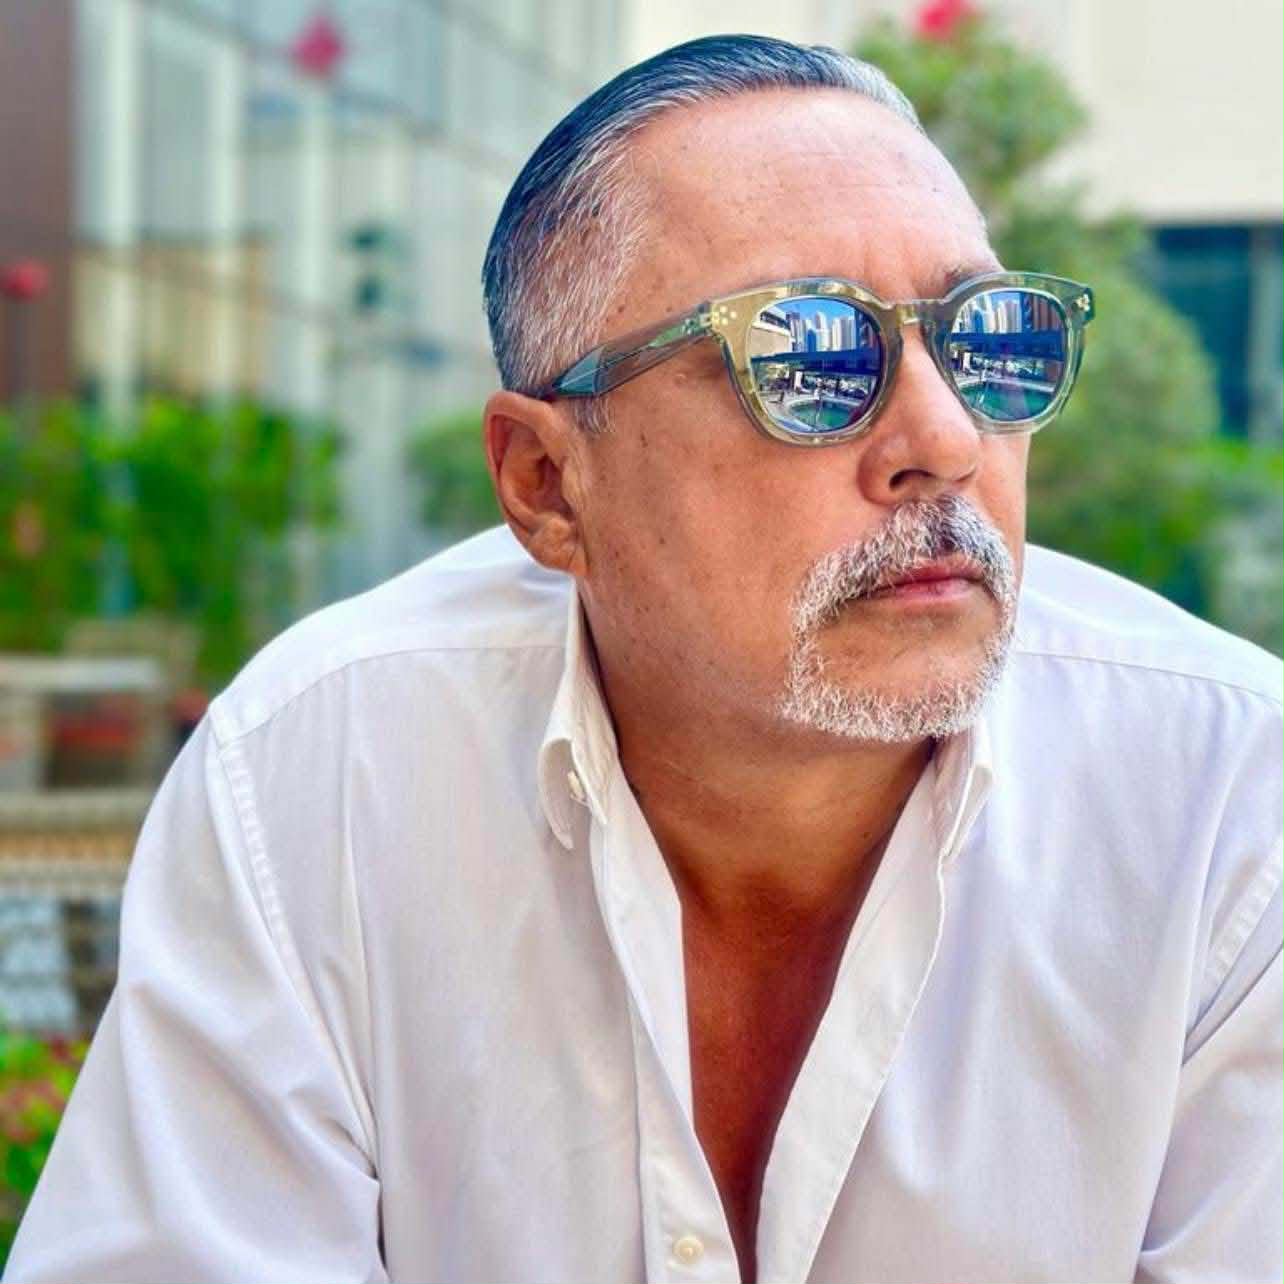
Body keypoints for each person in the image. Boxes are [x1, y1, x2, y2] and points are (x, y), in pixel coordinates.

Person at [7, 34, 1282, 1284]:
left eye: (989, 339)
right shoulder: (321, 772)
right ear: (547, 483)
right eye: (809, 357)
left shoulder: (1228, 803)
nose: (946, 441)